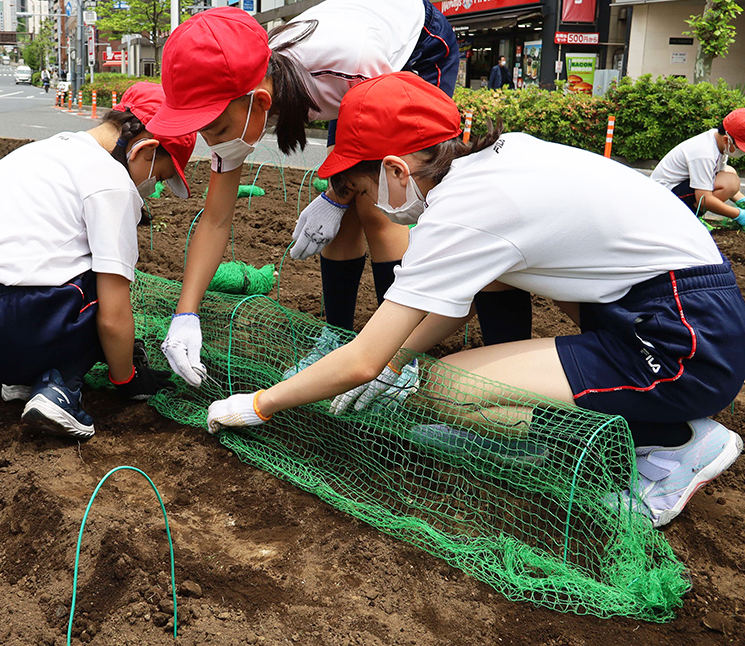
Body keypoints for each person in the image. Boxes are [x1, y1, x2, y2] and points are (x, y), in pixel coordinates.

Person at [206, 72, 745, 528]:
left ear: (395, 168)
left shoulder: (462, 210)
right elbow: (453, 303)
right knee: (497, 282)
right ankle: (564, 416)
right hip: (678, 309)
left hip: (683, 345)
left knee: (448, 388)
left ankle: (675, 442)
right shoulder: (498, 161)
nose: (371, 206)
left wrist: (259, 403)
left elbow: (363, 357)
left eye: (363, 190)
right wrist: (397, 360)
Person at [147, 0, 528, 388]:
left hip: (416, 47)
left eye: (218, 129)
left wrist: (335, 197)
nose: (214, 141)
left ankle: (396, 358)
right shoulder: (242, 96)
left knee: (376, 203)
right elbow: (215, 218)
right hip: (345, 78)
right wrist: (185, 314)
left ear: (261, 101)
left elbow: (381, 168)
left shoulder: (350, 64)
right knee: (345, 211)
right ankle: (338, 336)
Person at [0, 83, 194, 440]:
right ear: (146, 150)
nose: (152, 189)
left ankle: (20, 376)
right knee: (104, 285)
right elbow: (112, 318)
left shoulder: (47, 150)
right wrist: (126, 378)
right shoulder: (112, 184)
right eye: (159, 177)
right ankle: (60, 390)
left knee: (56, 263)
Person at [650, 109, 745, 226]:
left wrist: (743, 201)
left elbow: (720, 176)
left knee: (729, 172)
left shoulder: (717, 141)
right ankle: (689, 220)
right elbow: (705, 199)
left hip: (675, 188)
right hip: (663, 198)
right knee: (730, 181)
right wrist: (738, 214)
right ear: (727, 139)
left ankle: (689, 216)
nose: (741, 152)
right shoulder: (705, 153)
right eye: (741, 148)